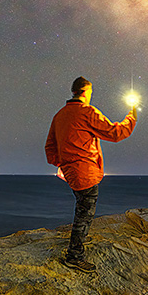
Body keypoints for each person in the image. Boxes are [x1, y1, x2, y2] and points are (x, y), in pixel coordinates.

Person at [44, 76, 137, 273]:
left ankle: (75, 250)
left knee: (82, 209)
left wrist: (62, 163)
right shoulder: (87, 112)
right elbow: (115, 133)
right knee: (84, 214)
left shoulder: (59, 115)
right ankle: (74, 256)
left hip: (70, 172)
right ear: (85, 92)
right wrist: (132, 116)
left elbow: (50, 148)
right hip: (85, 171)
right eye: (91, 92)